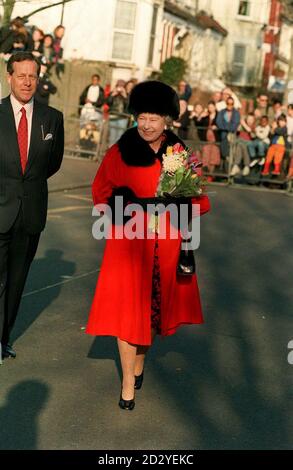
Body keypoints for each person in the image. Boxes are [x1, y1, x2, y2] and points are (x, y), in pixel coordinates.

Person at [86, 81, 211, 410]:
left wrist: (176, 209)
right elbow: (100, 191)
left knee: (152, 314)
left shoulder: (179, 153)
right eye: (141, 116)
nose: (146, 124)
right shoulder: (120, 150)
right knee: (127, 313)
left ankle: (139, 363)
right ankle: (127, 381)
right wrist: (125, 210)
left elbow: (199, 199)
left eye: (154, 117)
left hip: (166, 245)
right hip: (127, 244)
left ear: (167, 120)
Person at [0, 52, 64, 361]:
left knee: (15, 282)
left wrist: (29, 185)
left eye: (32, 76)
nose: (27, 82)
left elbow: (52, 163)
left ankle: (3, 339)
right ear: (8, 77)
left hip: (31, 214)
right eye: (21, 75)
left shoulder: (52, 118)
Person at [216, 97, 241, 161]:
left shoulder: (236, 113)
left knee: (232, 141)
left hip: (233, 134)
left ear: (233, 104)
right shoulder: (221, 112)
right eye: (228, 103)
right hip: (223, 134)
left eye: (231, 104)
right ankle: (227, 157)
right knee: (224, 137)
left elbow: (235, 124)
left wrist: (226, 127)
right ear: (226, 103)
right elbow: (218, 123)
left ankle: (230, 158)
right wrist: (228, 127)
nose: (230, 105)